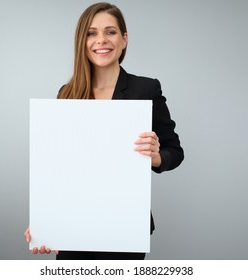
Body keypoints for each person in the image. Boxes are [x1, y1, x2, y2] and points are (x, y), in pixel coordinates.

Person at [24, 2, 184, 260]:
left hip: (125, 225)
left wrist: (155, 156)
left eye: (110, 32)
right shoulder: (67, 94)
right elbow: (59, 168)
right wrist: (45, 221)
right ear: (82, 41)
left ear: (124, 40)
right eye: (92, 33)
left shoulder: (146, 90)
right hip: (74, 225)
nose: (101, 40)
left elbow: (174, 152)